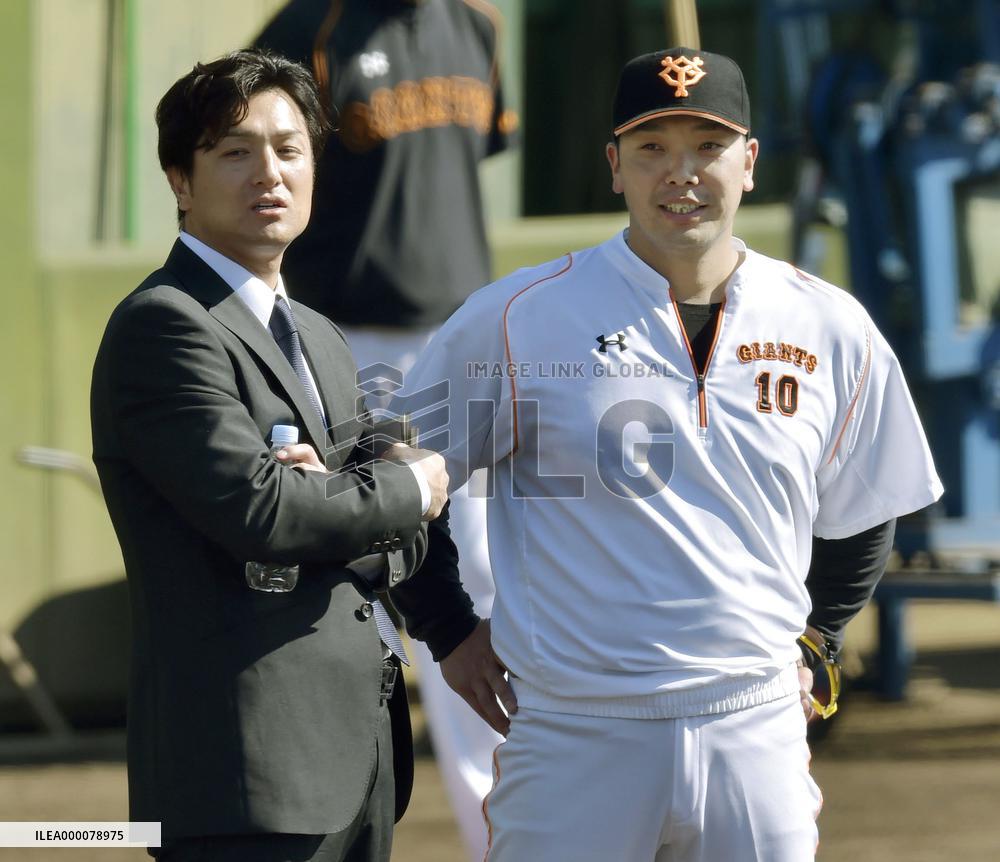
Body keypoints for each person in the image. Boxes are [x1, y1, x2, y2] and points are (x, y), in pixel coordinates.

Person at [391, 48, 944, 860]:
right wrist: (445, 628)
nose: (680, 173)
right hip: (577, 729)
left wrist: (820, 641)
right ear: (614, 166)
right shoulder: (515, 317)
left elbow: (866, 504)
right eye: (652, 148)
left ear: (749, 163)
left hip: (754, 725)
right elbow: (399, 486)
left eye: (707, 147)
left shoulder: (830, 325)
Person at [90, 49, 450, 862]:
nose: (270, 174)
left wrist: (359, 499)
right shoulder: (166, 326)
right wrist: (405, 483)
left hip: (359, 763)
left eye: (290, 150)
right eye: (234, 151)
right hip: (242, 780)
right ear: (180, 180)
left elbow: (397, 534)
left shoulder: (317, 335)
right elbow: (269, 513)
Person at [252, 2, 517, 856]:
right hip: (346, 341)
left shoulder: (478, 26)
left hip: (463, 329)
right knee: (360, 578)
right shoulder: (307, 30)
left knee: (477, 573)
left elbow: (469, 164)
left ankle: (508, 828)